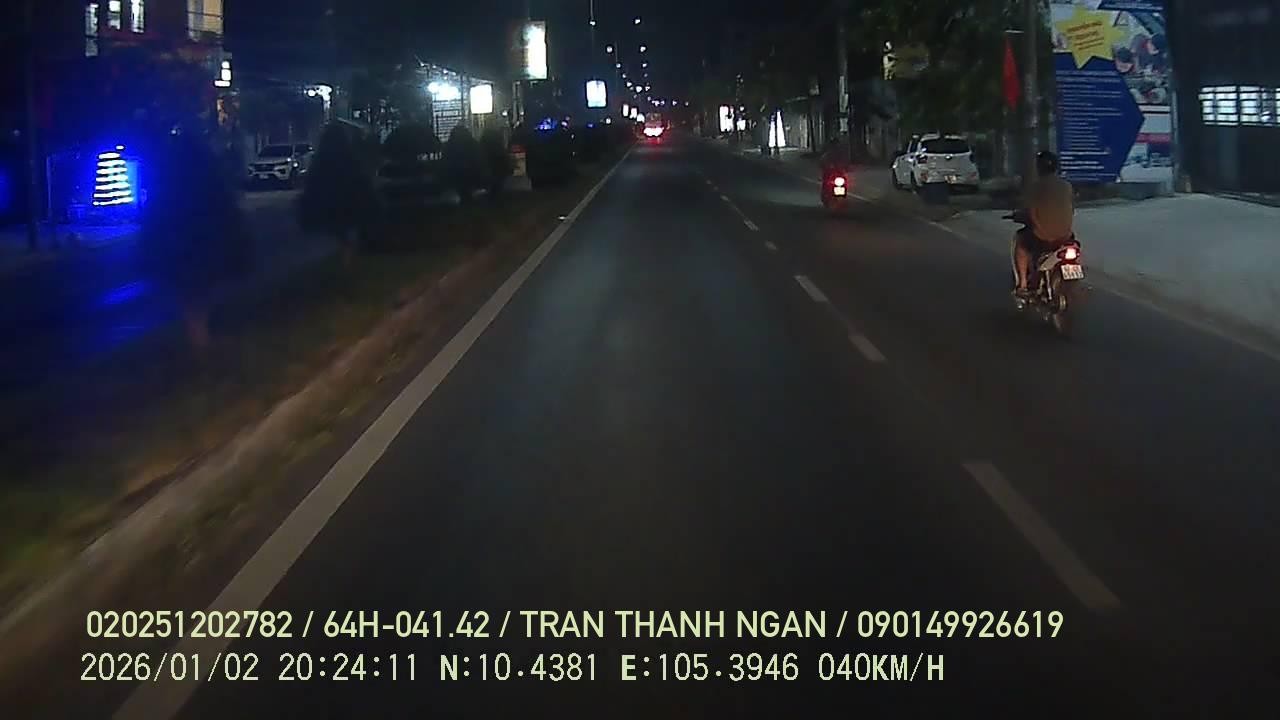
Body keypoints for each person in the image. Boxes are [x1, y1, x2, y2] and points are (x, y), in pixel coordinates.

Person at [1014, 150, 1074, 297]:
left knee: (1021, 243)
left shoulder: (1035, 187)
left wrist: (1019, 215)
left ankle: (1023, 284)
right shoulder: (1066, 186)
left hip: (1042, 236)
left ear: (1039, 168)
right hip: (1065, 235)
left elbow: (1030, 210)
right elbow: (1071, 208)